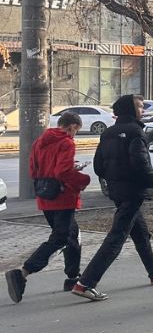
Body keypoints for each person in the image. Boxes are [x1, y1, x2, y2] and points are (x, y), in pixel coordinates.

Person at [73, 95, 153, 302]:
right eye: (139, 106)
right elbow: (141, 161)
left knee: (140, 233)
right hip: (134, 190)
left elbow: (98, 166)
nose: (143, 110)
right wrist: (152, 180)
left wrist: (114, 179)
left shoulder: (108, 133)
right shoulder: (136, 132)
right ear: (130, 109)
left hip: (116, 190)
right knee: (117, 237)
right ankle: (85, 283)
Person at [4, 111, 91, 303]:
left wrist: (66, 170)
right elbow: (62, 172)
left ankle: (73, 277)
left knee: (72, 235)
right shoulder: (66, 143)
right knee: (60, 238)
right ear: (72, 126)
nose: (75, 134)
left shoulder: (39, 142)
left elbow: (34, 170)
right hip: (63, 198)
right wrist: (83, 179)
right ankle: (23, 272)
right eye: (76, 131)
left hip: (46, 197)